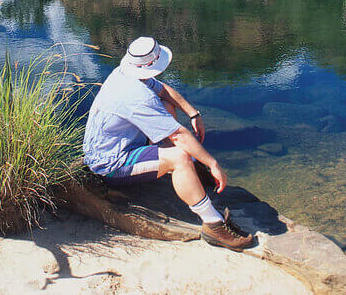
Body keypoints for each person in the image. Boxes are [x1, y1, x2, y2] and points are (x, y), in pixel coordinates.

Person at [83, 36, 255, 251]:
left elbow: (163, 90)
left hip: (118, 145)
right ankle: (213, 225)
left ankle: (188, 171)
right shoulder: (136, 96)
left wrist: (193, 113)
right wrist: (213, 164)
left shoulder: (124, 74)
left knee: (166, 106)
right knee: (180, 157)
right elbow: (178, 135)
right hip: (110, 164)